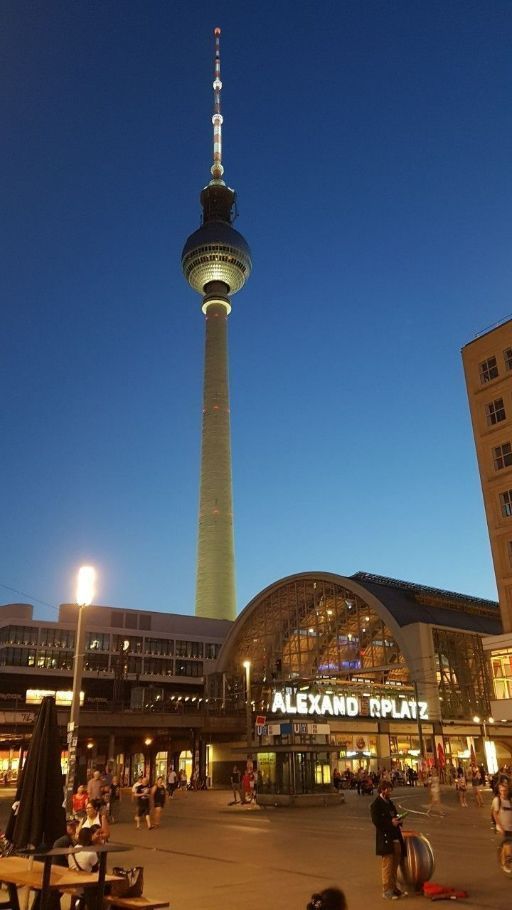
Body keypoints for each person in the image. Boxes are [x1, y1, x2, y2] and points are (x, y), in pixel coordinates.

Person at [370, 781, 407, 901]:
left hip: (396, 838)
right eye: (388, 790)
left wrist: (399, 819)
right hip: (386, 839)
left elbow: (394, 815)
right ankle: (387, 891)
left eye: (391, 790)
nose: (390, 792)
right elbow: (377, 822)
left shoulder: (390, 803)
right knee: (387, 865)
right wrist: (391, 823)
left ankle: (394, 887)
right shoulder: (376, 805)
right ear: (382, 790)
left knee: (394, 865)